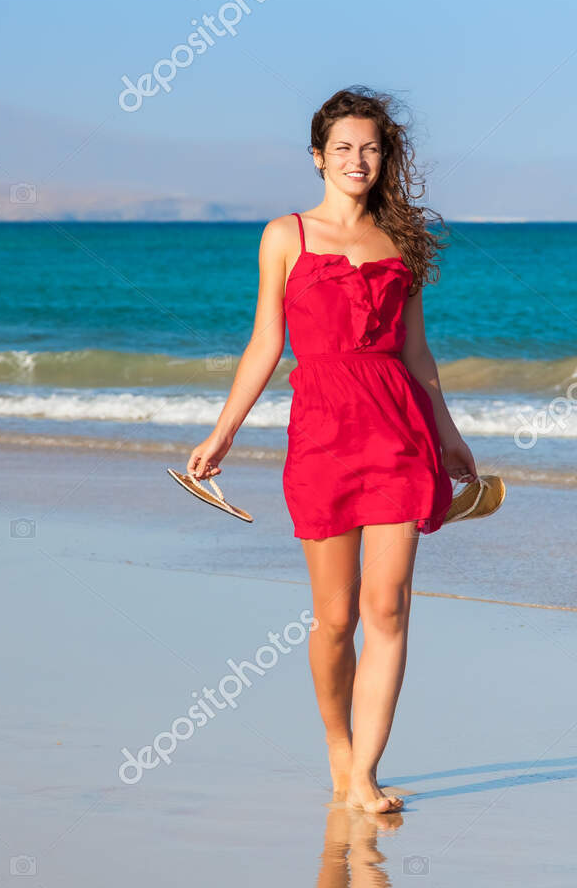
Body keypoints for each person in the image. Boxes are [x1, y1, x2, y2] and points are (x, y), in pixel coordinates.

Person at [187, 87, 475, 814]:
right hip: (322, 434)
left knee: (390, 607)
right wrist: (222, 433)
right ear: (318, 156)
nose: (358, 159)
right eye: (343, 147)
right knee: (336, 616)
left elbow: (416, 350)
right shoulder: (286, 235)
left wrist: (448, 433)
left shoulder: (399, 242)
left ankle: (367, 772)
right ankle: (338, 750)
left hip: (398, 431)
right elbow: (265, 342)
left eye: (371, 148)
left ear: (386, 158)